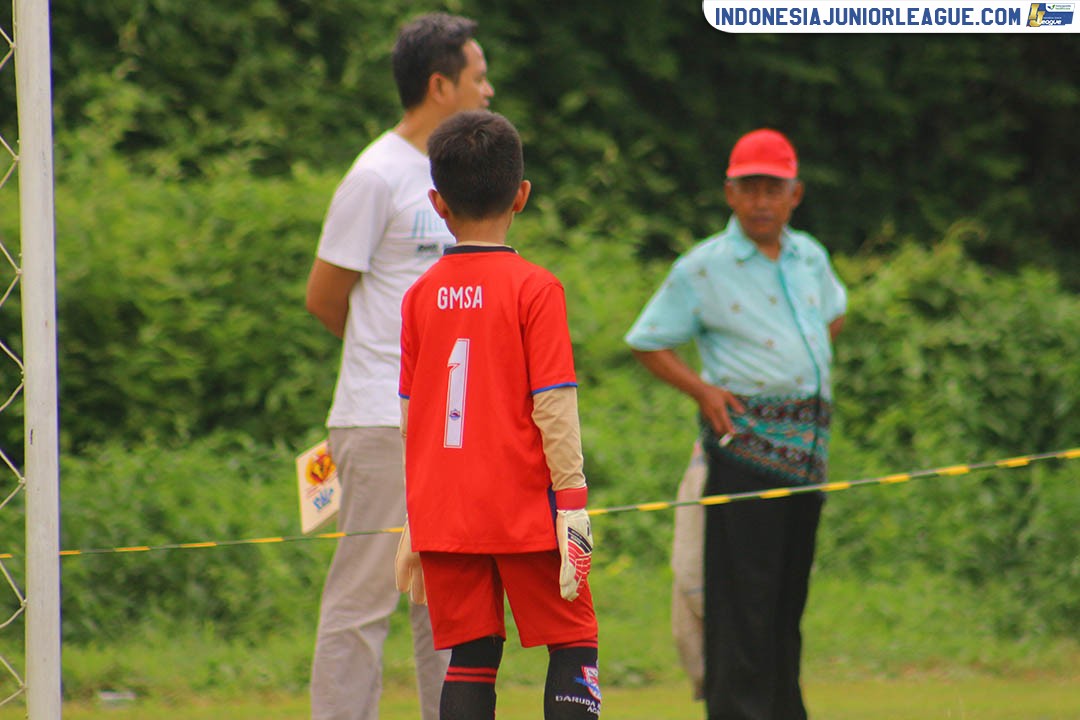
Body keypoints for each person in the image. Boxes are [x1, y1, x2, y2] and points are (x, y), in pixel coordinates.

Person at [304, 13, 494, 720]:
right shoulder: (376, 175)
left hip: (448, 426)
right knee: (363, 598)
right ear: (440, 85)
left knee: (441, 598)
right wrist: (388, 360)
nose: (488, 90)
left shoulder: (455, 176)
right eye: (478, 77)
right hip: (380, 421)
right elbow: (325, 296)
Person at [624, 128, 846, 720]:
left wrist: (801, 376)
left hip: (808, 457)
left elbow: (834, 315)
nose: (762, 201)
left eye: (773, 188)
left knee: (786, 600)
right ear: (729, 192)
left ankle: (783, 709)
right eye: (750, 188)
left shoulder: (810, 257)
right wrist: (702, 390)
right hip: (742, 456)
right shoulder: (703, 267)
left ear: (796, 193)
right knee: (741, 600)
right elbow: (648, 341)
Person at [394, 110, 601, 720]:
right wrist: (573, 503)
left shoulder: (418, 297)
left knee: (472, 653)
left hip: (446, 509)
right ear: (522, 195)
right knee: (573, 639)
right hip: (523, 509)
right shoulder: (535, 288)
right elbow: (554, 406)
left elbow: (411, 418)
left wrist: (416, 512)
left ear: (438, 202)